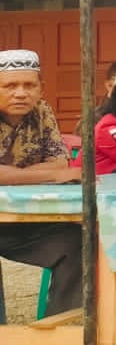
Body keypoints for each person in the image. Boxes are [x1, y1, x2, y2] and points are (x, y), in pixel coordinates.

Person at [0, 49, 84, 317]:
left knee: (79, 243)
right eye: (10, 86)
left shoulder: (42, 111)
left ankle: (60, 328)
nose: (20, 93)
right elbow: (58, 173)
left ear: (41, 89)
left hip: (24, 219)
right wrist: (49, 174)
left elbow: (59, 164)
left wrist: (12, 174)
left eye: (29, 85)